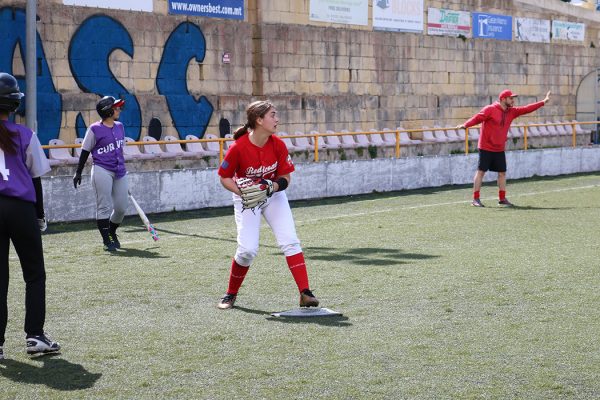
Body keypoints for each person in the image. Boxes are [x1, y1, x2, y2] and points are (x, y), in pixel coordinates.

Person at [216, 100, 319, 309]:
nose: (277, 119)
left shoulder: (278, 144)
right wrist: (243, 193)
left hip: (274, 196)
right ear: (259, 120)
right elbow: (224, 177)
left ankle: (305, 293)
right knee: (247, 250)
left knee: (290, 241)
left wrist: (271, 187)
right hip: (247, 199)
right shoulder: (238, 147)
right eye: (273, 115)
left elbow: (286, 179)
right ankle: (230, 294)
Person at [0, 72, 61, 358]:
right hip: (21, 209)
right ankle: (35, 336)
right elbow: (35, 177)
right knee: (34, 273)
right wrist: (40, 215)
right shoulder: (25, 134)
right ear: (14, 104)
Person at [458, 89, 551, 207]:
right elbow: (477, 118)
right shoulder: (490, 109)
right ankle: (475, 199)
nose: (513, 101)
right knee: (481, 172)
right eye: (511, 98)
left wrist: (543, 102)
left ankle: (502, 199)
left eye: (513, 98)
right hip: (486, 146)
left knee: (502, 173)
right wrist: (466, 125)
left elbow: (527, 108)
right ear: (503, 99)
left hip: (499, 148)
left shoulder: (512, 112)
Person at [73, 96, 128, 251]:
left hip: (120, 172)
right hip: (102, 170)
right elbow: (85, 151)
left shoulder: (120, 126)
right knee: (103, 206)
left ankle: (111, 231)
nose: (119, 110)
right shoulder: (94, 129)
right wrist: (78, 172)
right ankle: (107, 240)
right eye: (116, 108)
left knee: (121, 208)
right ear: (108, 111)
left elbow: (120, 151)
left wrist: (123, 174)